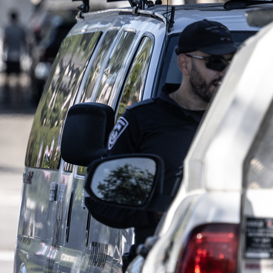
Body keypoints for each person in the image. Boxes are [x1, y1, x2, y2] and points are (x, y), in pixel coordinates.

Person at [86, 19, 237, 244]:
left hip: (240, 256)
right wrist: (156, 212)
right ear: (184, 64)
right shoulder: (142, 120)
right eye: (214, 62)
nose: (224, 72)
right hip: (162, 257)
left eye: (232, 62)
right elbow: (102, 200)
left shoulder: (246, 119)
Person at [2, 10, 28, 105]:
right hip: (18, 55)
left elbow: (5, 42)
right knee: (18, 78)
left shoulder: (7, 28)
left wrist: (3, 53)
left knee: (7, 78)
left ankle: (7, 96)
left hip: (9, 55)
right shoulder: (21, 29)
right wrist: (26, 53)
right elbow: (24, 42)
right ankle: (17, 98)